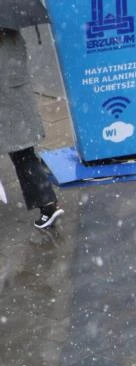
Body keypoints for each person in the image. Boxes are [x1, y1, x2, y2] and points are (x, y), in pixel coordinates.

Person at [0, 28, 63, 230]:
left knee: (23, 154)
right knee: (24, 154)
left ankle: (47, 204)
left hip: (7, 103)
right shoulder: (11, 32)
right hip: (17, 102)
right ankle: (47, 204)